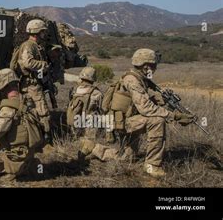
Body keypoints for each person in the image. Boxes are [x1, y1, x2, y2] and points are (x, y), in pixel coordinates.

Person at [79, 49, 195, 178]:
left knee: (127, 157)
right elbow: (146, 108)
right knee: (157, 121)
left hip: (126, 120)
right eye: (154, 65)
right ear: (146, 66)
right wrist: (174, 116)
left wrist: (162, 100)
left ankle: (93, 148)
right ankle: (152, 166)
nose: (155, 69)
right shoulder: (132, 80)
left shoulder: (138, 78)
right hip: (121, 123)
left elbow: (142, 101)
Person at [0, 68, 44, 181]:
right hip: (28, 151)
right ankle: (30, 163)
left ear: (1, 87)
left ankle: (12, 170)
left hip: (17, 154)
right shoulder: (27, 100)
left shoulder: (8, 108)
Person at [15, 19, 51, 137]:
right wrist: (43, 65)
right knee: (42, 110)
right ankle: (45, 136)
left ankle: (36, 135)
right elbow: (28, 63)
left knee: (32, 109)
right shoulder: (29, 45)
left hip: (33, 83)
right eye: (42, 32)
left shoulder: (35, 46)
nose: (44, 34)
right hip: (31, 85)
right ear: (37, 32)